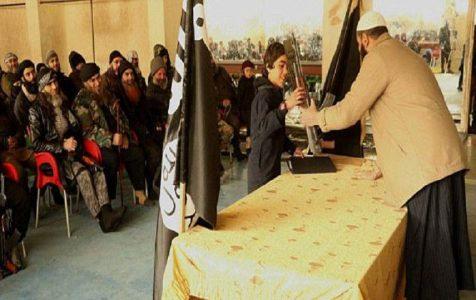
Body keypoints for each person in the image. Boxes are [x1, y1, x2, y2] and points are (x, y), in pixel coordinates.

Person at [301, 11, 474, 299]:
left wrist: (315, 118)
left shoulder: (378, 58)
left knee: (431, 258)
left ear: (364, 39)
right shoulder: (405, 53)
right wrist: (386, 163)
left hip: (427, 170)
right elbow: (409, 113)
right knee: (442, 258)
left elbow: (349, 110)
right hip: (443, 160)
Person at [29, 68, 126, 233]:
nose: (54, 87)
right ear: (41, 88)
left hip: (74, 152)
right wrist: (62, 146)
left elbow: (76, 128)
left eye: (55, 82)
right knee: (84, 174)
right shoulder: (35, 110)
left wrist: (75, 143)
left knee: (97, 169)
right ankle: (102, 218)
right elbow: (36, 143)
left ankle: (107, 211)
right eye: (49, 84)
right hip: (56, 157)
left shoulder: (62, 103)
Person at [73, 63, 149, 205]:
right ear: (85, 83)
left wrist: (123, 134)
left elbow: (121, 116)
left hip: (118, 137)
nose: (97, 83)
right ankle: (108, 201)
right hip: (98, 143)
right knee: (111, 160)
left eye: (98, 78)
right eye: (92, 81)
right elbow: (88, 130)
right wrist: (111, 138)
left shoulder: (107, 93)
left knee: (135, 152)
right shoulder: (81, 102)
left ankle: (139, 192)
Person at [247, 42, 305, 193]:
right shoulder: (263, 96)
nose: (285, 71)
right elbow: (260, 130)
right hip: (261, 171)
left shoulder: (274, 92)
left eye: (286, 66)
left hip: (271, 165)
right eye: (281, 66)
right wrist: (286, 106)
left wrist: (293, 148)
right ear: (268, 66)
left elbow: (276, 131)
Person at [14, 60, 39, 129]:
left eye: (33, 72)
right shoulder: (20, 102)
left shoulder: (41, 90)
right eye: (28, 74)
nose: (32, 77)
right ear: (22, 78)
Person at [237, 60, 256, 141]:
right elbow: (240, 98)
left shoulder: (254, 81)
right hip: (244, 109)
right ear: (243, 71)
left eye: (251, 70)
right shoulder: (242, 82)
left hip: (253, 107)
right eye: (247, 70)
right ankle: (249, 139)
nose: (249, 73)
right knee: (251, 120)